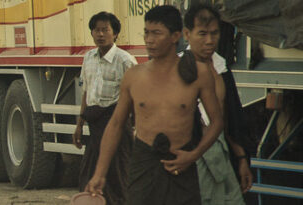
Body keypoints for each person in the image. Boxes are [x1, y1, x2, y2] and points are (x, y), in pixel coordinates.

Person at [85, 5, 225, 205]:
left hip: (181, 164)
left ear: (175, 36)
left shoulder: (198, 74)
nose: (149, 39)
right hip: (144, 163)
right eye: (147, 33)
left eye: (156, 33)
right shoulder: (134, 76)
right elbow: (116, 124)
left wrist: (194, 155)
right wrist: (100, 173)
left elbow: (217, 122)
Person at [180, 4, 251, 204]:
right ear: (187, 34)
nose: (209, 41)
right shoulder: (177, 71)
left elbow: (231, 120)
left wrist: (242, 159)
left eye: (214, 33)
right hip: (191, 162)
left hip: (223, 159)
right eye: (202, 34)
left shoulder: (222, 69)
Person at [72, 11, 137, 205]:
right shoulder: (88, 58)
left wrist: (134, 127)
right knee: (89, 176)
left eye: (105, 30)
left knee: (118, 177)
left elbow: (135, 97)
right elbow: (86, 92)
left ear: (115, 33)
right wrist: (79, 123)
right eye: (96, 30)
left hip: (117, 126)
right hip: (94, 126)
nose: (100, 34)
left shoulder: (125, 60)